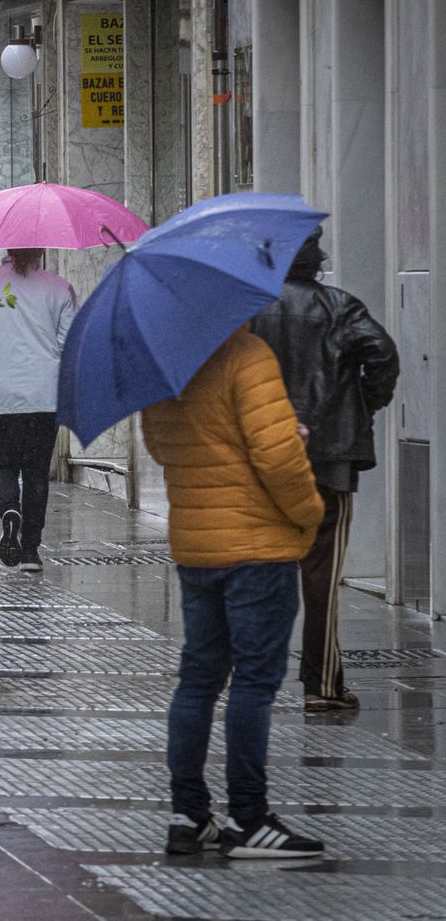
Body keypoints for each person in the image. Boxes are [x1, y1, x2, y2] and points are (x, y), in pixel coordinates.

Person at [143, 326, 327, 859]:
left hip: (198, 546)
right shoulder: (244, 354)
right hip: (258, 549)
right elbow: (276, 459)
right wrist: (310, 512)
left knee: (198, 679)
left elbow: (160, 445)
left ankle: (188, 815)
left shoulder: (164, 360)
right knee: (253, 681)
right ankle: (248, 819)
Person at [250, 229, 399, 713]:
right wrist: (363, 406)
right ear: (317, 262)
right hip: (329, 458)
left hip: (266, 456)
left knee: (259, 571)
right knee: (321, 576)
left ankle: (252, 678)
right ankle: (322, 685)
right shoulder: (340, 307)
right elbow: (382, 354)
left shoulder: (250, 311)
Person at [0, 248, 76, 571]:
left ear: (7, 250)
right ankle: (30, 551)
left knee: (3, 466)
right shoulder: (59, 289)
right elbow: (69, 346)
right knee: (37, 472)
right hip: (43, 396)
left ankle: (10, 510)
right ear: (41, 250)